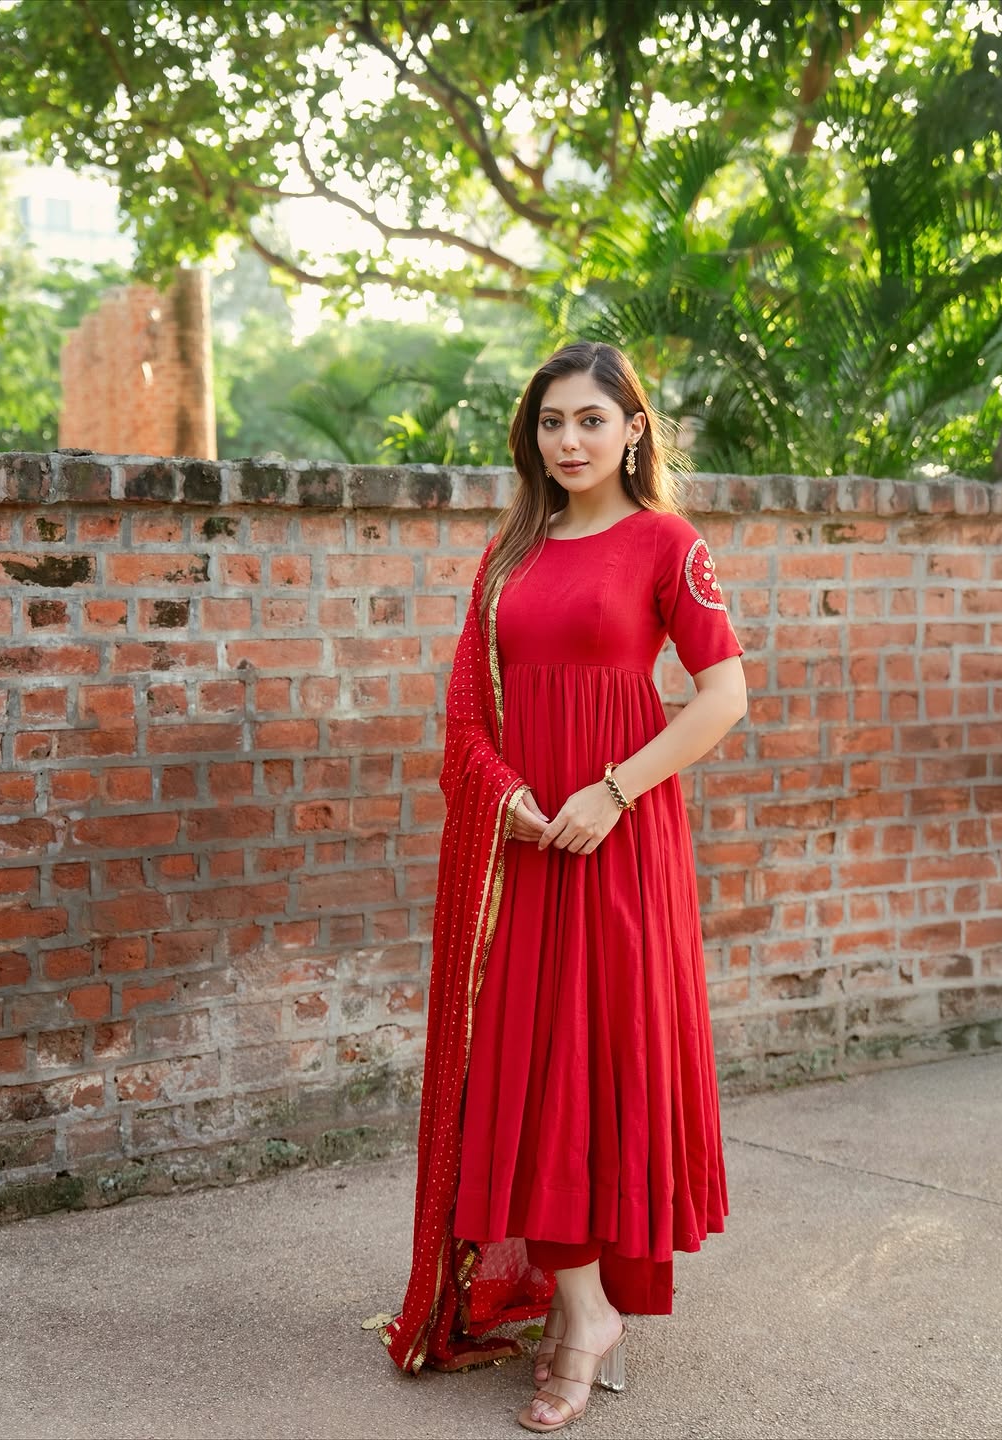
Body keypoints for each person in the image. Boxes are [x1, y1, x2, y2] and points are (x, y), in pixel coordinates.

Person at [382, 341, 748, 1433]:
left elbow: (723, 696)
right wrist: (509, 798)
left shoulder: (664, 544)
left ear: (635, 428)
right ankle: (578, 1305)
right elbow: (463, 718)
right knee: (529, 1073)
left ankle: (585, 1313)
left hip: (619, 842)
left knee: (600, 1067)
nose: (570, 441)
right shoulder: (511, 553)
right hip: (525, 850)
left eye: (592, 420)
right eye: (551, 423)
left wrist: (612, 791)